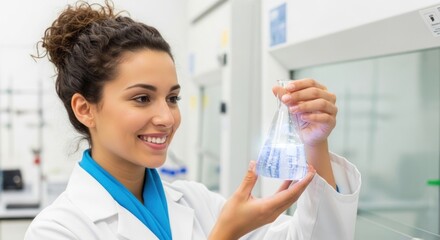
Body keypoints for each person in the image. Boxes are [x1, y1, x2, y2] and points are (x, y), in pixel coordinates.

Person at [25, 1, 361, 239]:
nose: (166, 117)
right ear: (85, 109)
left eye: (172, 98)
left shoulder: (195, 201)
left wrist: (315, 142)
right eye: (142, 98)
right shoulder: (58, 229)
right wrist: (226, 234)